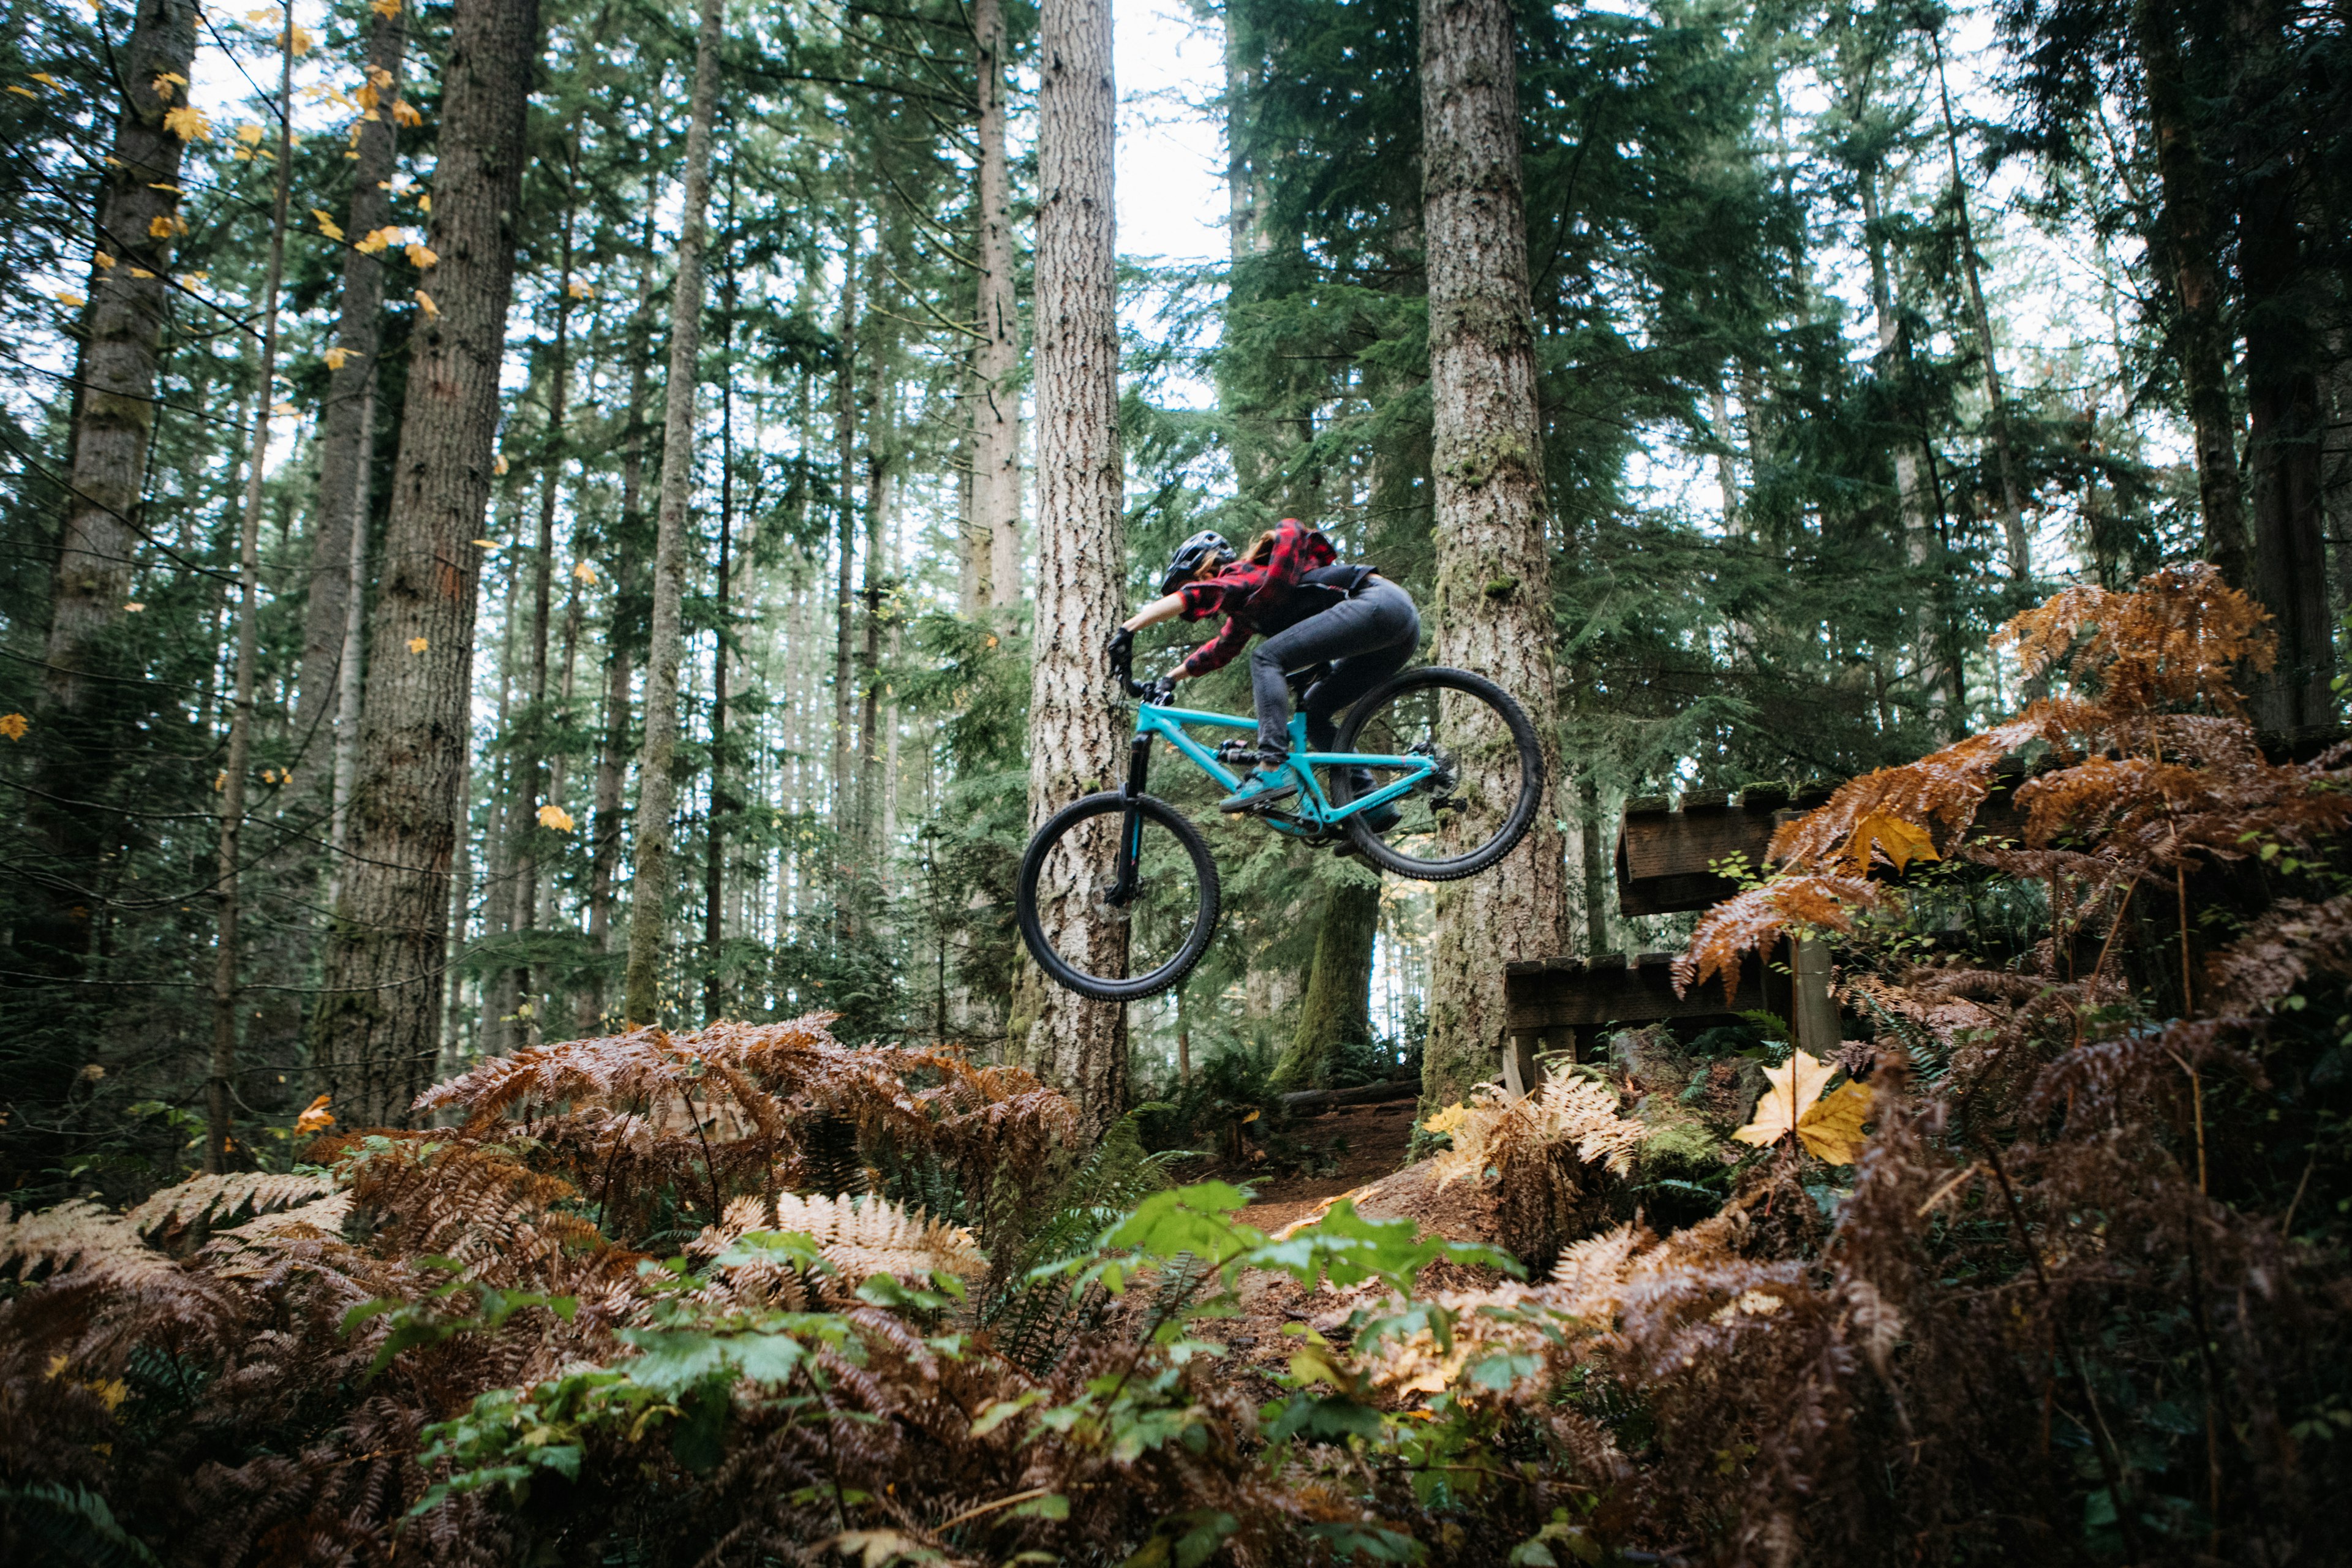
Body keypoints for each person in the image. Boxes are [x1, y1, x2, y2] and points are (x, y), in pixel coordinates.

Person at [1106, 518, 1420, 820]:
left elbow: (1195, 597)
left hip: (1379, 604)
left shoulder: (1246, 574)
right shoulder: (1249, 608)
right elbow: (1218, 651)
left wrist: (1129, 628)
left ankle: (1272, 767)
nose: (1186, 598)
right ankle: (1371, 804)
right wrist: (1169, 679)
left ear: (1205, 571)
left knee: (1266, 658)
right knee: (1314, 714)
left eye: (1184, 583)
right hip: (1396, 632)